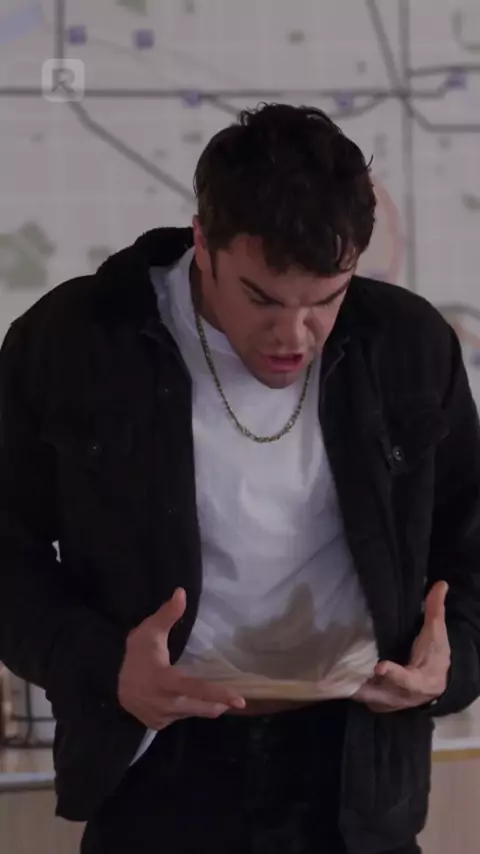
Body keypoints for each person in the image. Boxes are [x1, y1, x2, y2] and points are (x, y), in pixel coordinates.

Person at [0, 103, 479, 854]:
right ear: (203, 242)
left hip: (356, 772)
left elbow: (471, 537)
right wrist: (100, 665)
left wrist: (455, 659)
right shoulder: (75, 340)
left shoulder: (409, 345)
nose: (294, 335)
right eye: (262, 298)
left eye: (326, 299)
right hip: (157, 763)